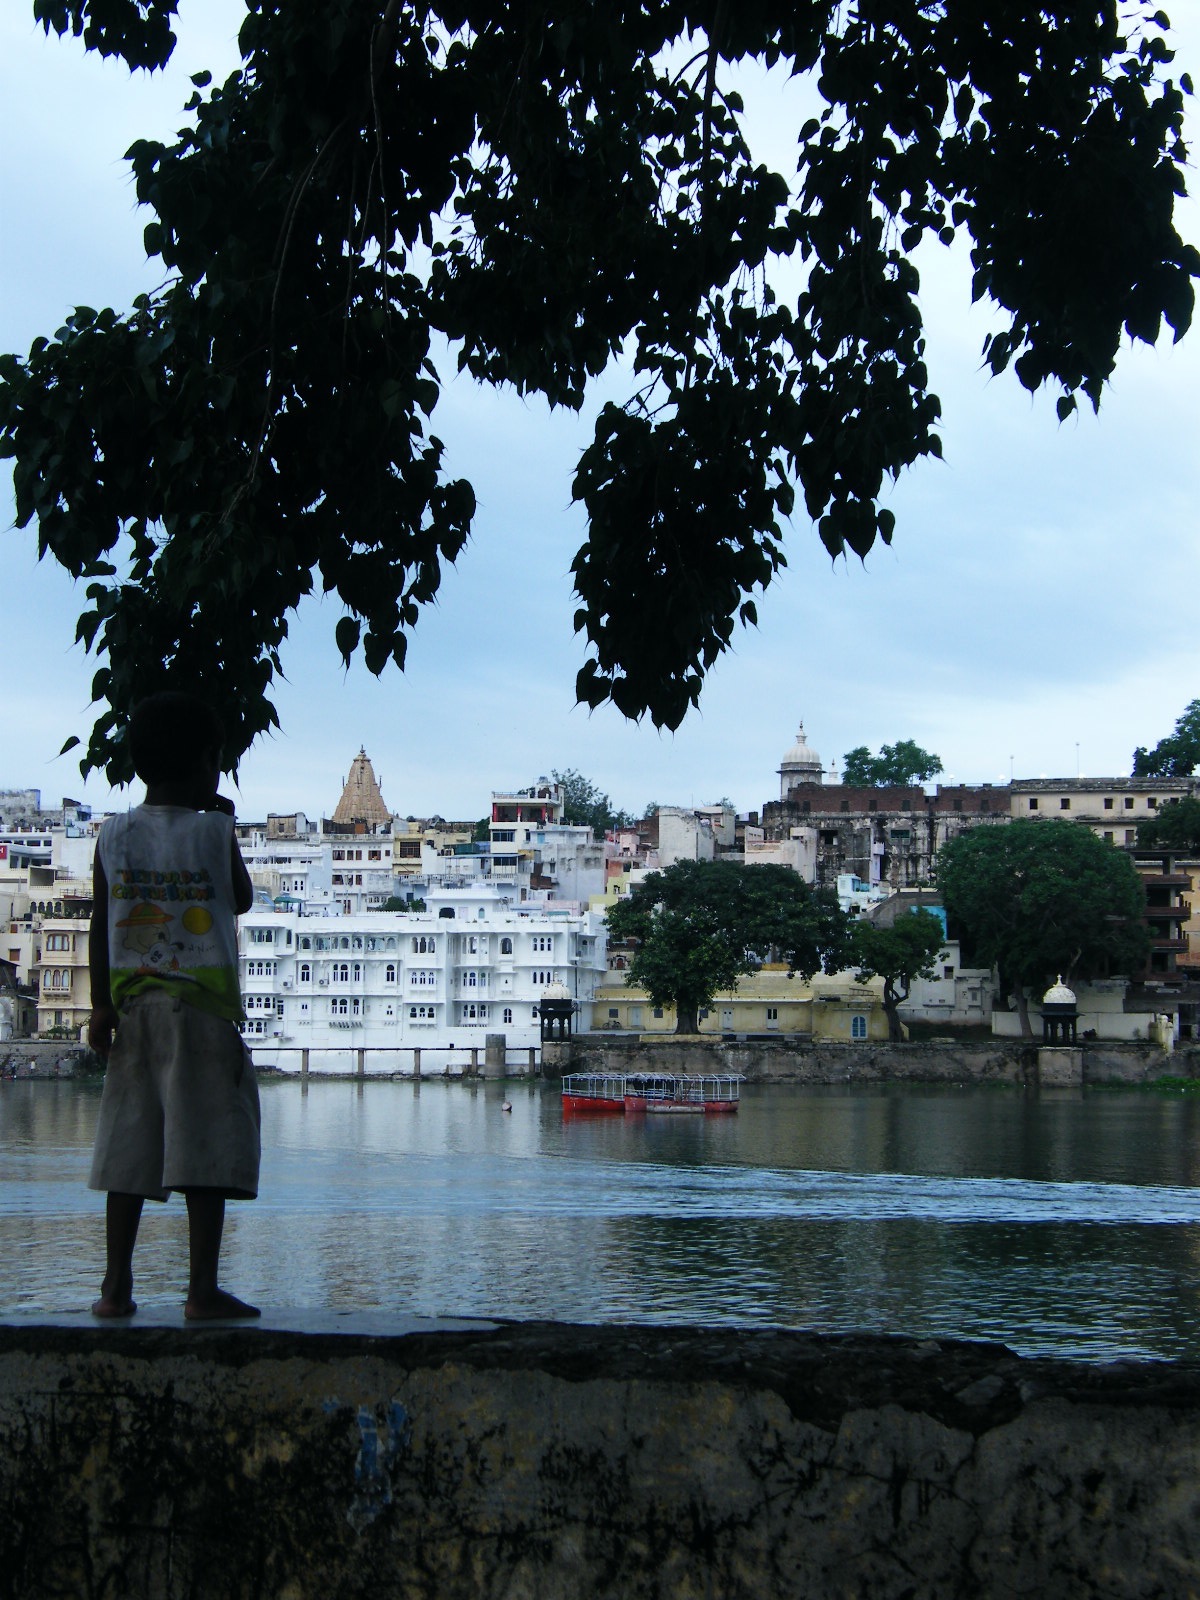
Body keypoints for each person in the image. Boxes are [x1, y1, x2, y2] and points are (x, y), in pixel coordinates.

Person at [87, 691, 260, 1320]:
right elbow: (238, 897)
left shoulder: (113, 834)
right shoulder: (214, 830)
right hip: (203, 1009)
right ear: (206, 763)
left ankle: (114, 1288)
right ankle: (201, 1289)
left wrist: (101, 1005)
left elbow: (98, 922)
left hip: (134, 1010)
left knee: (128, 1149)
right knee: (204, 1149)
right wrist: (226, 824)